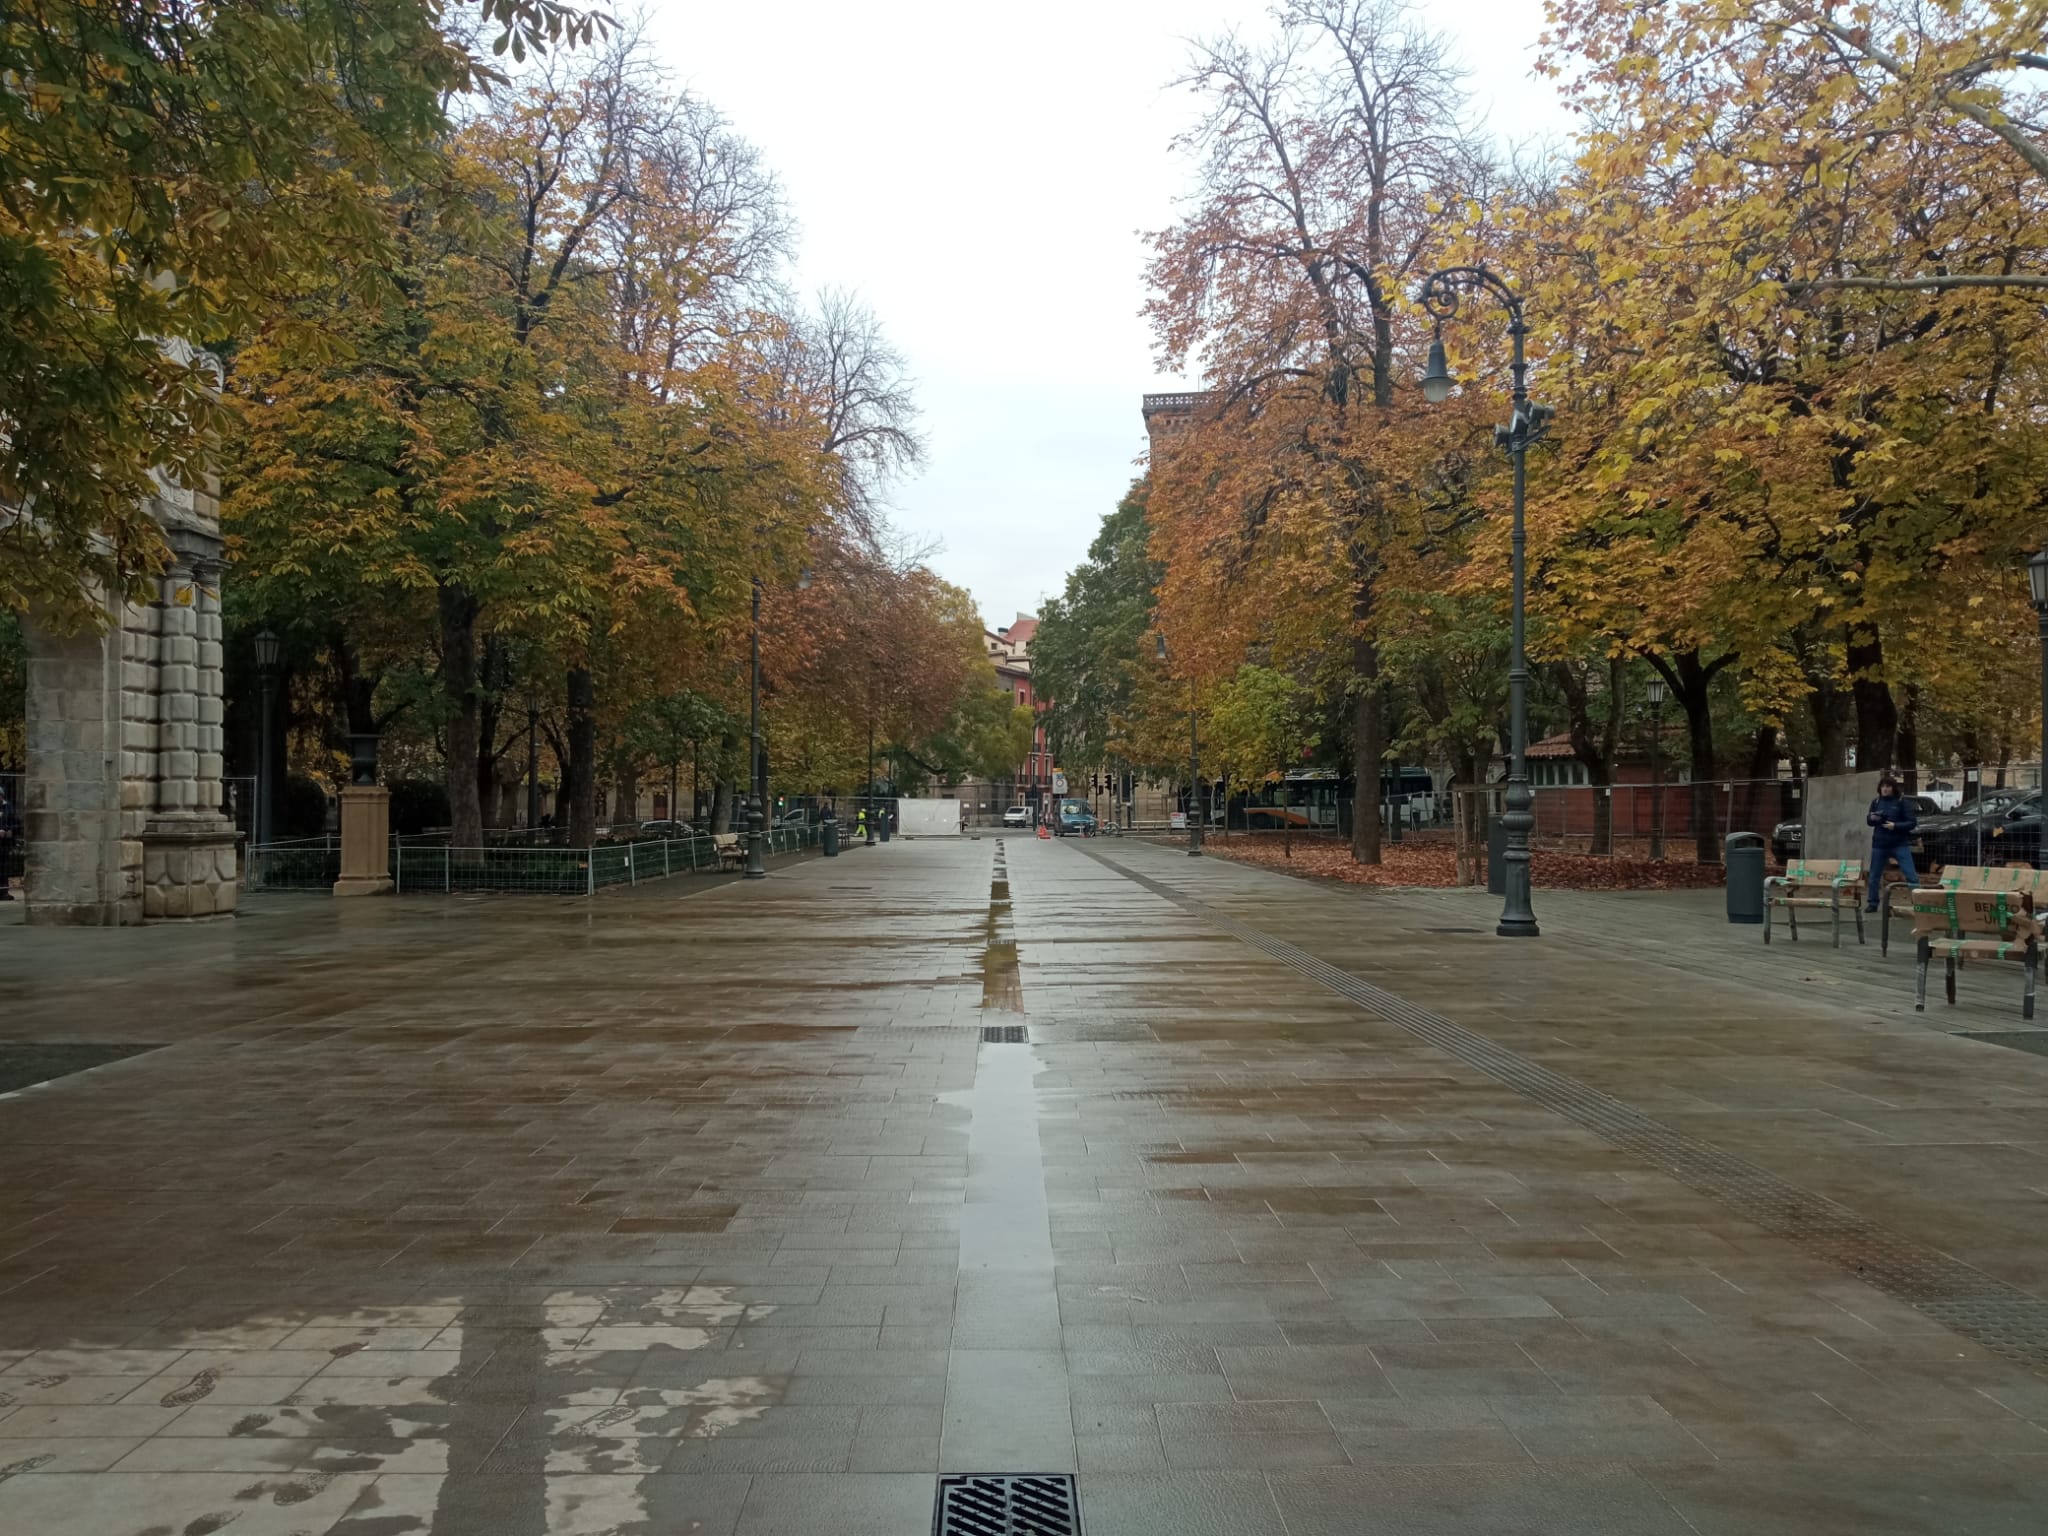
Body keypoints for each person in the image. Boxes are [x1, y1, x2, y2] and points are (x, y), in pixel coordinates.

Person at [1865, 771, 1920, 912]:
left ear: (1893, 788)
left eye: (1888, 786)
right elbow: (1869, 822)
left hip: (1899, 844)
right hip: (1879, 844)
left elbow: (1912, 822)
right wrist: (1873, 819)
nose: (1885, 789)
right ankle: (1872, 903)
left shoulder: (1902, 802)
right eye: (1883, 786)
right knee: (1874, 876)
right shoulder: (1876, 802)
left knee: (1911, 875)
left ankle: (1919, 902)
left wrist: (1895, 826)